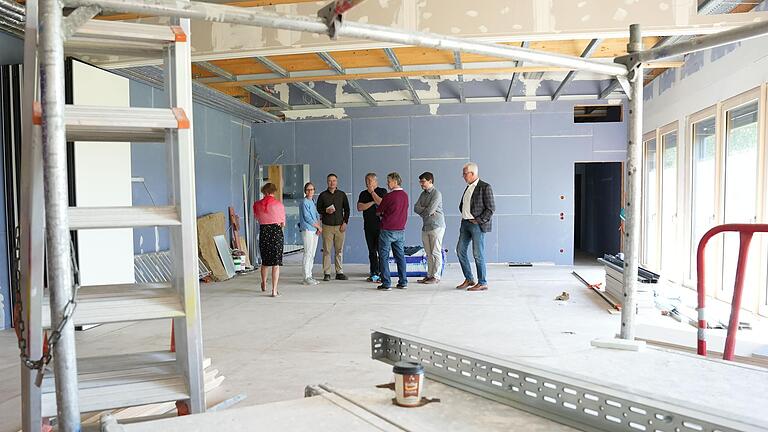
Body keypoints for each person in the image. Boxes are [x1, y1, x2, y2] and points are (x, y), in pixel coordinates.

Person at [456, 162, 495, 292]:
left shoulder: (485, 187)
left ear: (472, 173)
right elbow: (464, 205)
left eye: (465, 173)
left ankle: (482, 282)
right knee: (460, 250)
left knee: (478, 254)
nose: (463, 176)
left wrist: (478, 220)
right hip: (465, 223)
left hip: (477, 225)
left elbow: (491, 208)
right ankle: (469, 279)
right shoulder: (468, 187)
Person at [376, 172, 409, 291]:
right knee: (400, 256)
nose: (387, 183)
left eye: (389, 181)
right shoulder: (405, 195)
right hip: (400, 230)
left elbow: (379, 211)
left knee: (383, 256)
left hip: (387, 230)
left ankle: (386, 283)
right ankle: (403, 281)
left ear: (395, 182)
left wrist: (383, 214)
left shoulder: (389, 196)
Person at [253, 182, 286, 297]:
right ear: (273, 192)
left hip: (264, 232)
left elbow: (257, 218)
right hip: (276, 233)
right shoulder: (279, 205)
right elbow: (283, 223)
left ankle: (264, 283)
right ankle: (274, 290)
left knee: (265, 262)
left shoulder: (257, 205)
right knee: (275, 264)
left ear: (264, 192)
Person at [316, 173, 350, 281]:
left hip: (340, 226)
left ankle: (339, 272)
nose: (332, 183)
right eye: (330, 181)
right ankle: (327, 273)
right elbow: (318, 209)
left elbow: (347, 210)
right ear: (327, 182)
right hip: (327, 226)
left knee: (339, 250)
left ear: (337, 182)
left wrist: (345, 223)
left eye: (334, 181)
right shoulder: (322, 195)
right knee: (327, 250)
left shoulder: (342, 194)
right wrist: (325, 210)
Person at [413, 172, 445, 284]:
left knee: (435, 252)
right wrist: (426, 210)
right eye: (420, 182)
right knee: (428, 253)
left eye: (423, 182)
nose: (421, 184)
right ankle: (429, 275)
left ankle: (436, 276)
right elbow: (415, 208)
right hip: (426, 226)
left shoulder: (437, 194)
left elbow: (430, 210)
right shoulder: (423, 194)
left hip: (436, 226)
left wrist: (426, 210)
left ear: (430, 181)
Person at [357, 173, 388, 283]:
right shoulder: (363, 194)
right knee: (371, 251)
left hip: (381, 227)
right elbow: (360, 207)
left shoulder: (382, 191)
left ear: (376, 181)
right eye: (366, 180)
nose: (368, 183)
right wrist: (371, 202)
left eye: (370, 180)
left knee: (381, 250)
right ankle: (373, 272)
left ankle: (382, 272)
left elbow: (381, 202)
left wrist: (372, 193)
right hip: (368, 226)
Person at [299, 182, 322, 285]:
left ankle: (310, 275)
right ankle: (306, 277)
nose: (310, 191)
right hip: (307, 229)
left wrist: (318, 227)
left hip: (314, 230)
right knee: (307, 253)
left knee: (312, 254)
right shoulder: (304, 202)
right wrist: (318, 227)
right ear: (305, 191)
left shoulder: (313, 201)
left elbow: (316, 215)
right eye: (308, 189)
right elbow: (307, 217)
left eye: (312, 189)